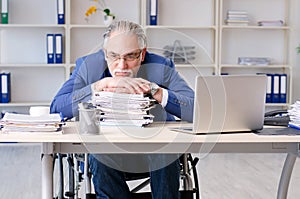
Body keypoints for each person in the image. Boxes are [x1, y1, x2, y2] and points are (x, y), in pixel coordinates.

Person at [50, 20, 194, 199]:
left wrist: (155, 90)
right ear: (105, 54)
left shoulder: (161, 67)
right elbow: (57, 107)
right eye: (114, 56)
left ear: (142, 54)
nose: (121, 66)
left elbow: (197, 108)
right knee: (99, 152)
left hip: (153, 150)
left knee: (166, 149)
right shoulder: (88, 66)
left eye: (130, 56)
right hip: (106, 152)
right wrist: (100, 85)